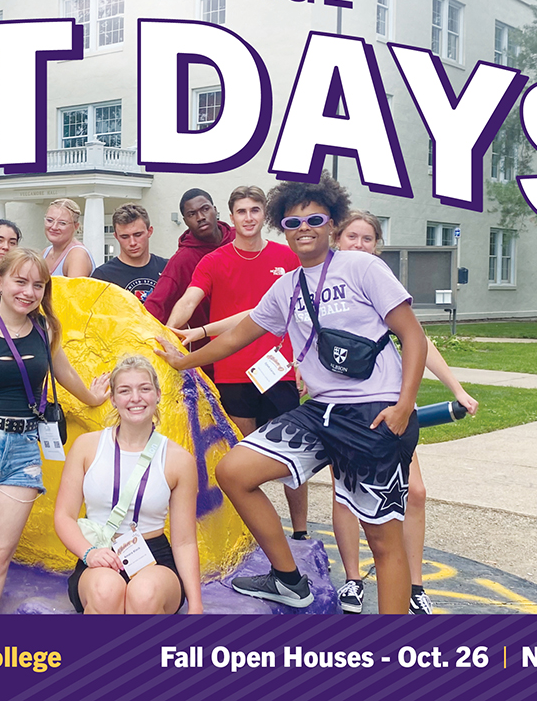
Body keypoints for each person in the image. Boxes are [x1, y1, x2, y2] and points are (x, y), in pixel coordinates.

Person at [155, 175, 427, 615]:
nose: (304, 228)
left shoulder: (363, 268)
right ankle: (288, 580)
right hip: (321, 411)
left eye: (315, 219)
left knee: (382, 538)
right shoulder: (286, 287)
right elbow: (237, 336)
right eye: (294, 221)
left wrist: (403, 406)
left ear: (332, 224)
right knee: (235, 471)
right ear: (284, 227)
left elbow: (413, 337)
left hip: (374, 413)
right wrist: (180, 359)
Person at [0, 249, 110, 614]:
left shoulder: (45, 332)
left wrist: (93, 396)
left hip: (24, 450)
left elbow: (63, 372)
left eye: (37, 284)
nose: (28, 292)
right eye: (20, 281)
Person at [329, 210, 479, 615]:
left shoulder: (380, 285)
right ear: (337, 240)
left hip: (389, 408)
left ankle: (415, 586)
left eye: (366, 239)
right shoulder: (324, 286)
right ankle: (353, 580)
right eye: (351, 237)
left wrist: (457, 390)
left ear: (376, 246)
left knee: (415, 493)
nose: (358, 245)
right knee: (345, 496)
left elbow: (420, 341)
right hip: (341, 409)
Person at [164, 186, 309, 541]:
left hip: (280, 371)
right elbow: (188, 299)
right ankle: (246, 531)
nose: (248, 218)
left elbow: (303, 314)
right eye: (241, 211)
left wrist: (302, 361)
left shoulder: (287, 258)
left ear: (264, 216)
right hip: (232, 375)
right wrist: (168, 331)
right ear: (231, 217)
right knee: (235, 460)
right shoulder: (212, 261)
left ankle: (301, 531)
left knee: (296, 459)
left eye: (254, 211)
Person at [54, 355, 203, 614]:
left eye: (144, 389)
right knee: (105, 591)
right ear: (113, 398)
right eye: (125, 390)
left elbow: (185, 541)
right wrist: (88, 553)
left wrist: (196, 607)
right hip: (99, 553)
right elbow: (64, 516)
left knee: (144, 595)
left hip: (154, 558)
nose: (135, 398)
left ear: (157, 394)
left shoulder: (179, 459)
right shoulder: (87, 446)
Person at [144, 189, 233, 345]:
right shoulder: (182, 261)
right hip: (210, 353)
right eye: (192, 214)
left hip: (256, 344)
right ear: (185, 221)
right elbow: (156, 305)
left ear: (215, 210)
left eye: (205, 209)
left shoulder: (238, 239)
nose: (200, 217)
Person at [90, 203, 168, 304]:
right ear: (116, 236)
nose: (132, 243)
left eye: (138, 235)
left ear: (149, 231)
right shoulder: (102, 276)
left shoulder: (167, 268)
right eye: (125, 237)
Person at [42, 198, 94, 277]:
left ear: (76, 226)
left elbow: (75, 288)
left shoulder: (77, 255)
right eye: (49, 220)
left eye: (62, 223)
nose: (54, 227)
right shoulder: (45, 253)